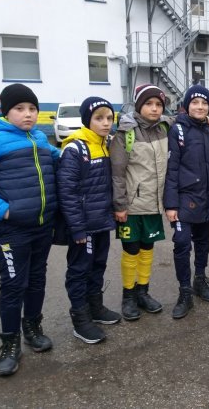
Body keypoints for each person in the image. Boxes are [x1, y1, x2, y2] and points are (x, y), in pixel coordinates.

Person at [0, 84, 58, 376]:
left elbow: (58, 157)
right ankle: (9, 343)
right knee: (13, 286)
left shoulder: (38, 138)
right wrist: (3, 210)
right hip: (12, 231)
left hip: (41, 226)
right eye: (20, 109)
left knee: (37, 279)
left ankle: (33, 328)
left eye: (33, 109)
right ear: (6, 111)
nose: (28, 115)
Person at [58, 97, 121, 344]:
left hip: (101, 222)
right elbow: (67, 192)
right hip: (83, 226)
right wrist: (77, 228)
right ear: (87, 120)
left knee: (98, 266)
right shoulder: (75, 149)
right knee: (79, 270)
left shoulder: (106, 145)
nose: (106, 123)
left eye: (109, 118)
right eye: (99, 118)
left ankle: (96, 308)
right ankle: (80, 319)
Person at [110, 84, 171, 321]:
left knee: (148, 249)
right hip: (131, 207)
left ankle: (143, 292)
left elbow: (188, 120)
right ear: (138, 106)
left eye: (158, 104)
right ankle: (128, 295)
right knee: (131, 250)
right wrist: (120, 205)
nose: (154, 109)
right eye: (148, 104)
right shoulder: (125, 134)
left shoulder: (166, 127)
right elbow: (117, 173)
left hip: (154, 204)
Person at [164, 84, 209, 319]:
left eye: (204, 103)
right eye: (195, 102)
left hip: (206, 197)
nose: (200, 106)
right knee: (182, 244)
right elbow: (172, 168)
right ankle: (184, 291)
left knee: (203, 241)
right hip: (184, 199)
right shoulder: (178, 130)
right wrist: (171, 204)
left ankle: (199, 279)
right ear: (187, 106)